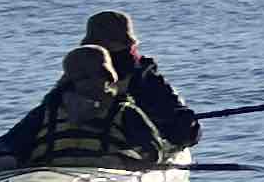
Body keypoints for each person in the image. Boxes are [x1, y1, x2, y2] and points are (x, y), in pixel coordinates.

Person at [0, 45, 173, 175]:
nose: (93, 83)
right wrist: (3, 158)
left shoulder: (126, 112)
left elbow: (152, 149)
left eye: (98, 76)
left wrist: (124, 161)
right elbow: (6, 144)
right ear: (71, 81)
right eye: (83, 78)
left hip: (105, 181)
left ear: (109, 78)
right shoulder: (45, 113)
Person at [81, 9, 200, 151]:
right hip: (123, 156)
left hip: (69, 155)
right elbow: (185, 134)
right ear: (129, 42)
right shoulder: (145, 79)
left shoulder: (72, 77)